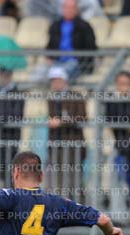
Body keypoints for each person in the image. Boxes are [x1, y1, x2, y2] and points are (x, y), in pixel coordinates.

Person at [105, 71, 130, 210]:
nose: (124, 86)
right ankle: (119, 214)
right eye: (121, 83)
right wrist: (129, 124)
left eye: (127, 83)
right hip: (120, 148)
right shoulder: (111, 100)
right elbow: (111, 119)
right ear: (117, 84)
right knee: (119, 180)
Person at [46, 66, 87, 199]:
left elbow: (82, 117)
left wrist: (62, 122)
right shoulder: (52, 99)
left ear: (63, 80)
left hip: (73, 148)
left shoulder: (76, 97)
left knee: (75, 185)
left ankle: (80, 210)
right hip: (56, 148)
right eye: (52, 81)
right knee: (58, 185)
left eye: (56, 80)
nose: (54, 84)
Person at [44, 0, 97, 80]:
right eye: (66, 7)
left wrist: (80, 60)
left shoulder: (84, 27)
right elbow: (50, 46)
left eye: (71, 8)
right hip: (57, 61)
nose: (68, 10)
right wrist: (49, 57)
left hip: (75, 62)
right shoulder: (55, 26)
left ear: (76, 10)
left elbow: (91, 47)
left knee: (60, 74)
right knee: (38, 74)